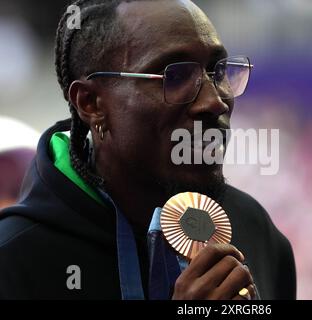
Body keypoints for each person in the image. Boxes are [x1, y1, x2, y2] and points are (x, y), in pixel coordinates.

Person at [0, 0, 296, 300]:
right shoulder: (15, 259)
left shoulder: (256, 233)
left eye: (216, 72)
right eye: (176, 76)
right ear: (91, 103)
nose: (214, 101)